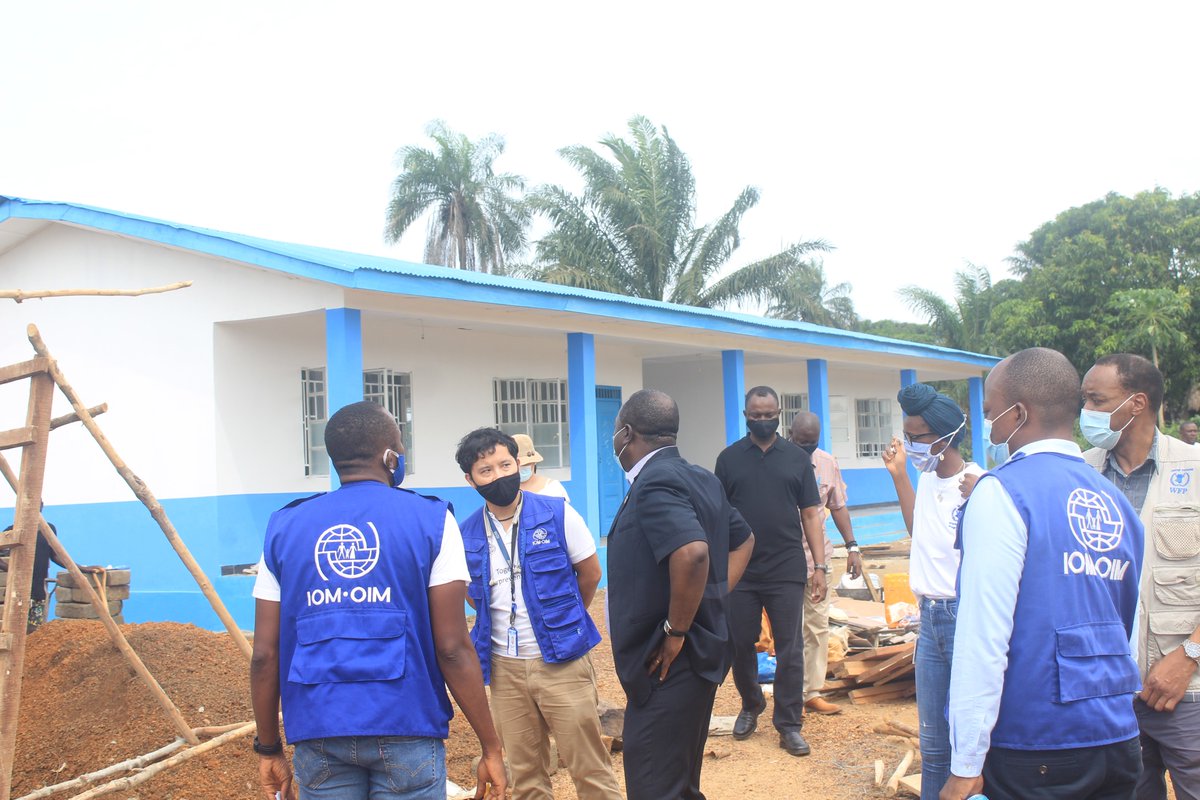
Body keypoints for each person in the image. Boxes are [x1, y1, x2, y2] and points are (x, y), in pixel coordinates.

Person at [250, 401, 506, 800]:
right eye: (400, 446)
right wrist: (491, 746)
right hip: (408, 725)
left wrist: (268, 748)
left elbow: (264, 654)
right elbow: (453, 648)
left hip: (319, 731)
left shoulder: (284, 527)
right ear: (390, 456)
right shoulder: (433, 521)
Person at [941, 348, 1144, 800]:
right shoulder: (1117, 503)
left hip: (1036, 745)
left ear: (1018, 413)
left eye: (991, 413)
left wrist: (966, 764)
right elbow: (1124, 625)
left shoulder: (1003, 492)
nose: (989, 426)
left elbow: (983, 637)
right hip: (1116, 737)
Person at [455, 428, 621, 800]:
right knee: (526, 778)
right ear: (470, 480)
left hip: (561, 662)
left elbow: (590, 573)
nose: (498, 475)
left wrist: (562, 619)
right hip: (505, 670)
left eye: (504, 464)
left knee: (589, 768)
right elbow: (472, 596)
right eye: (486, 470)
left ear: (518, 464)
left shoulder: (557, 514)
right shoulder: (465, 535)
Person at [608, 389, 755, 800]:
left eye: (616, 435)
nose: (615, 442)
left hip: (667, 663)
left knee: (656, 785)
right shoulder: (701, 477)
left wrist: (675, 630)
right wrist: (715, 596)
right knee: (679, 782)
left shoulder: (655, 482)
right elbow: (744, 541)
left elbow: (692, 553)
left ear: (627, 433)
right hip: (695, 659)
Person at [1080, 353, 1200, 800]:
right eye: (1084, 400)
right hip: (1106, 696)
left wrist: (1188, 656)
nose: (1086, 412)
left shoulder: (1195, 468)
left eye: (1096, 400)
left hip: (1185, 691)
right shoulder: (1079, 473)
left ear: (1136, 403)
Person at [882, 383, 983, 800]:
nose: (910, 444)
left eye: (917, 437)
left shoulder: (977, 482)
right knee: (933, 741)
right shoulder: (925, 481)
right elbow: (917, 532)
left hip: (964, 616)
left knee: (967, 738)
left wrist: (979, 502)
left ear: (944, 436)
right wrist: (899, 475)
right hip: (930, 620)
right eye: (906, 435)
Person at [715, 386, 826, 757]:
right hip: (741, 570)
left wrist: (820, 566)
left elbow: (811, 513)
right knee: (740, 643)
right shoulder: (729, 460)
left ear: (780, 413)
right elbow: (718, 517)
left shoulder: (796, 459)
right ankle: (751, 704)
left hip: (785, 567)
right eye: (755, 415)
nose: (762, 420)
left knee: (790, 648)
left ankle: (789, 724)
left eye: (769, 414)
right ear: (745, 415)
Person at [788, 411, 864, 715]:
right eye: (800, 442)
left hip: (818, 559)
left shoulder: (827, 463)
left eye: (811, 443)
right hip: (784, 560)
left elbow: (838, 506)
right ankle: (790, 693)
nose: (806, 448)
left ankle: (812, 692)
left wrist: (853, 547)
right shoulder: (778, 460)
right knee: (788, 629)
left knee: (817, 626)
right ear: (790, 435)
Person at [1, 503, 64, 633]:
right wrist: (12, 568)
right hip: (16, 592)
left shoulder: (48, 529)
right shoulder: (12, 530)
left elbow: (55, 556)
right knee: (13, 630)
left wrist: (80, 569)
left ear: (42, 507)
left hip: (38, 592)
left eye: (38, 504)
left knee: (35, 633)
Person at [512, 433, 571, 501]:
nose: (521, 467)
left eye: (526, 464)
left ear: (534, 462)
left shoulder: (553, 488)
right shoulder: (506, 492)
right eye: (518, 464)